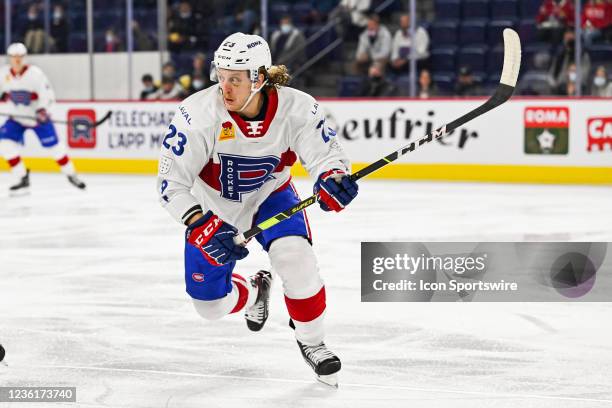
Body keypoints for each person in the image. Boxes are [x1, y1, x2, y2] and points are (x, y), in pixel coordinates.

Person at [156, 33, 358, 386]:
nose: (225, 87)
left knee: (296, 259)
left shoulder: (297, 107)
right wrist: (199, 221)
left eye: (235, 78)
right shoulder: (197, 114)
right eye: (220, 76)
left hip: (270, 196)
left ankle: (313, 342)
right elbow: (170, 184)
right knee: (210, 307)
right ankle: (252, 292)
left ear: (259, 78)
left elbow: (326, 157)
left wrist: (333, 178)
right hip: (211, 208)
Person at [0, 43, 86, 193]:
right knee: (4, 144)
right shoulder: (3, 74)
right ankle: (22, 176)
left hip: (37, 119)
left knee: (55, 149)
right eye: (14, 57)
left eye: (20, 57)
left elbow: (48, 95)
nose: (17, 60)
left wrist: (43, 111)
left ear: (25, 57)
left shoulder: (35, 74)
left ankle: (71, 174)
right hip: (16, 118)